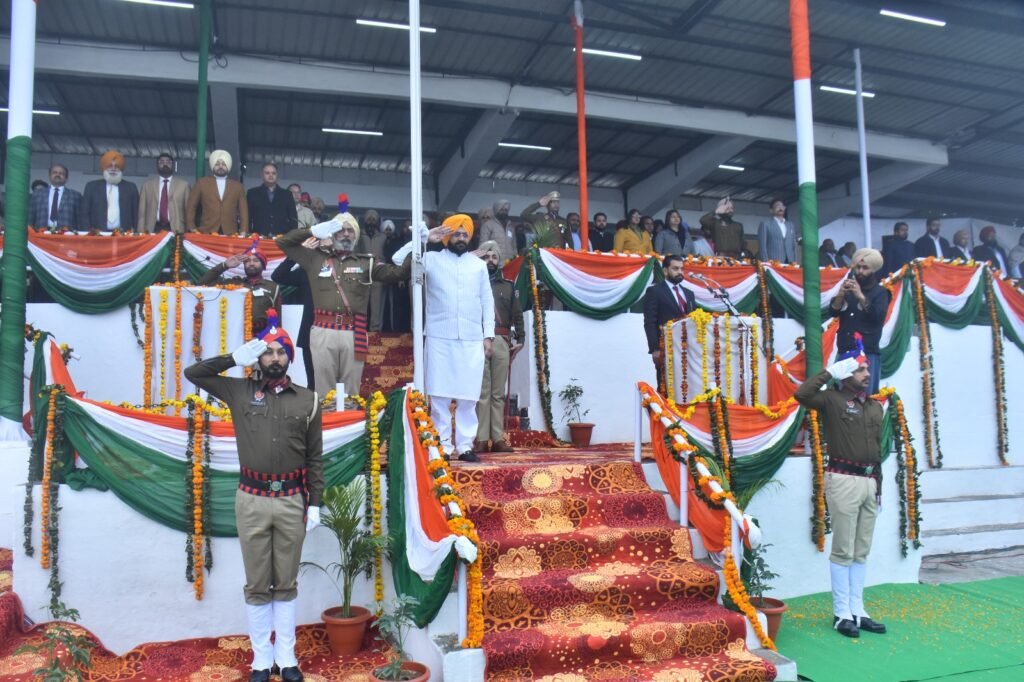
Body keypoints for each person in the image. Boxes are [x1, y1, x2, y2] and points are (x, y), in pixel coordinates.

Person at [185, 316, 322, 682]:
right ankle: (262, 661)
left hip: (293, 499)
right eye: (268, 352)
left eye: (281, 352)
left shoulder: (308, 400)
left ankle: (287, 658)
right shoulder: (240, 391)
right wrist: (233, 356)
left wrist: (317, 503)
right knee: (258, 582)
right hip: (252, 499)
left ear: (289, 358)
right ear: (258, 358)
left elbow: (315, 458)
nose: (274, 358)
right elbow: (193, 373)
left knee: (287, 582)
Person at [794, 341, 887, 640]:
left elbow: (877, 449)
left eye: (867, 368)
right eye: (859, 368)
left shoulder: (874, 406)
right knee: (844, 549)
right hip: (843, 479)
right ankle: (841, 614)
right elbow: (802, 394)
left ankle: (859, 611)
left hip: (870, 481)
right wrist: (828, 372)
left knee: (862, 550)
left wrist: (879, 487)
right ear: (846, 372)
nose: (865, 373)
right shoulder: (831, 400)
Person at [276, 201, 411, 397]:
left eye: (350, 230)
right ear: (331, 234)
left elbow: (398, 273)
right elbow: (283, 243)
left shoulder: (367, 262)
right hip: (323, 330)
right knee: (323, 393)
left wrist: (415, 245)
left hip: (354, 331)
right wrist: (311, 230)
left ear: (356, 236)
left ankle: (349, 426)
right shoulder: (314, 258)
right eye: (340, 230)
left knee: (351, 393)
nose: (346, 234)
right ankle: (326, 427)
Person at [392, 215, 494, 462]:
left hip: (471, 338)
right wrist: (425, 238)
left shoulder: (478, 265)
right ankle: (444, 446)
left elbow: (486, 301)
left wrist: (488, 334)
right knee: (439, 396)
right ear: (447, 236)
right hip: (439, 336)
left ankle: (466, 446)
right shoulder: (431, 259)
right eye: (456, 234)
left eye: (464, 234)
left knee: (468, 397)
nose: (460, 238)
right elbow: (397, 260)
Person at [474, 240, 524, 454]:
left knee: (498, 393)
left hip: (502, 340)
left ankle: (498, 438)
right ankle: (481, 439)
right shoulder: (473, 283)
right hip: (478, 340)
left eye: (494, 257)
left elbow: (517, 314)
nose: (490, 261)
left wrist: (520, 338)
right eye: (486, 257)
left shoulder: (508, 285)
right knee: (482, 392)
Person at [828, 248, 889, 393]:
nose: (860, 271)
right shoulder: (849, 289)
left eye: (865, 268)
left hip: (867, 353)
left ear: (873, 270)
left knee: (864, 399)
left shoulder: (881, 293)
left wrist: (860, 296)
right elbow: (833, 311)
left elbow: (877, 317)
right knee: (839, 399)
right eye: (858, 267)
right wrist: (841, 294)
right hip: (845, 350)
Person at [642, 255, 696, 391]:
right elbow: (650, 322)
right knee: (666, 386)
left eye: (681, 269)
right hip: (666, 348)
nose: (679, 272)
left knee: (687, 386)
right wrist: (655, 349)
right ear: (665, 271)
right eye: (675, 268)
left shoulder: (689, 294)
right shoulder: (655, 291)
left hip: (687, 350)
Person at [199, 246, 282, 331]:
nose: (251, 263)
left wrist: (277, 339)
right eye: (247, 261)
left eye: (256, 261)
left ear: (263, 265)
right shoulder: (234, 283)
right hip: (235, 334)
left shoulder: (273, 287)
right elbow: (204, 283)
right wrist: (224, 265)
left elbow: (278, 319)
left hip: (262, 337)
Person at [272, 255, 316, 390]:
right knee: (313, 381)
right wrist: (295, 255)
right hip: (311, 330)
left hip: (339, 329)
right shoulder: (308, 270)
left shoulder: (344, 269)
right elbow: (278, 276)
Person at [187, 150, 248, 235]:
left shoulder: (238, 186)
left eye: (223, 164)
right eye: (217, 164)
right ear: (212, 166)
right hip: (206, 230)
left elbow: (243, 212)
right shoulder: (202, 183)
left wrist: (243, 231)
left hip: (230, 232)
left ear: (228, 166)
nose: (220, 166)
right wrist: (191, 227)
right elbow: (191, 207)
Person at [81, 150, 139, 232]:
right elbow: (84, 214)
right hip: (97, 235)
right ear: (103, 167)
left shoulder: (131, 187)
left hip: (124, 235)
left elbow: (135, 214)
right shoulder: (91, 187)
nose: (113, 169)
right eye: (110, 166)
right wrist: (87, 233)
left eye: (117, 166)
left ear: (121, 169)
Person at [138, 153, 190, 233]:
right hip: (153, 228)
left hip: (177, 228)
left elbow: (188, 211)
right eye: (161, 162)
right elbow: (142, 212)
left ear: (173, 165)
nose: (165, 164)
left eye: (168, 162)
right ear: (157, 166)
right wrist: (140, 232)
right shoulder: (147, 186)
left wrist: (188, 232)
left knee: (175, 246)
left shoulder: (184, 186)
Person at [357, 209, 388, 332]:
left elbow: (387, 254)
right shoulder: (359, 235)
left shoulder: (383, 237)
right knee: (362, 302)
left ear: (377, 221)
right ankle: (360, 328)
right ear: (364, 220)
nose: (371, 220)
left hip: (377, 272)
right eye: (368, 218)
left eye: (373, 218)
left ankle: (375, 330)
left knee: (377, 303)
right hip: (363, 272)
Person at [248, 163, 297, 236]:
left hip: (282, 238)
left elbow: (293, 219)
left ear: (277, 175)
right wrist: (249, 234)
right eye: (267, 173)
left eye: (273, 173)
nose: (271, 175)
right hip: (258, 237)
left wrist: (292, 237)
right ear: (262, 175)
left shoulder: (287, 195)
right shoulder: (252, 193)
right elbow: (248, 217)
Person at [29, 164, 81, 230]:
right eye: (54, 172)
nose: (57, 175)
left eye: (61, 173)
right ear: (49, 176)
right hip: (41, 233)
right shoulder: (37, 194)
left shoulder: (75, 195)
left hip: (66, 234)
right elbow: (30, 217)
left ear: (66, 178)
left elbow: (79, 220)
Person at [757, 198, 797, 264]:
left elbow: (794, 245)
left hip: (790, 261)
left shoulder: (790, 225)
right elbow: (762, 246)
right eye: (777, 206)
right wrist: (766, 262)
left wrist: (795, 260)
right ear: (771, 210)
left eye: (782, 206)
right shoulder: (765, 224)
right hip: (773, 262)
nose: (780, 208)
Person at [478, 198, 517, 263]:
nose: (504, 212)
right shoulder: (488, 225)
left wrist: (515, 259)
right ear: (496, 210)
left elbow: (514, 246)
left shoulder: (510, 227)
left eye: (506, 210)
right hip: (494, 263)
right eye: (501, 210)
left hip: (510, 264)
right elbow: (483, 246)